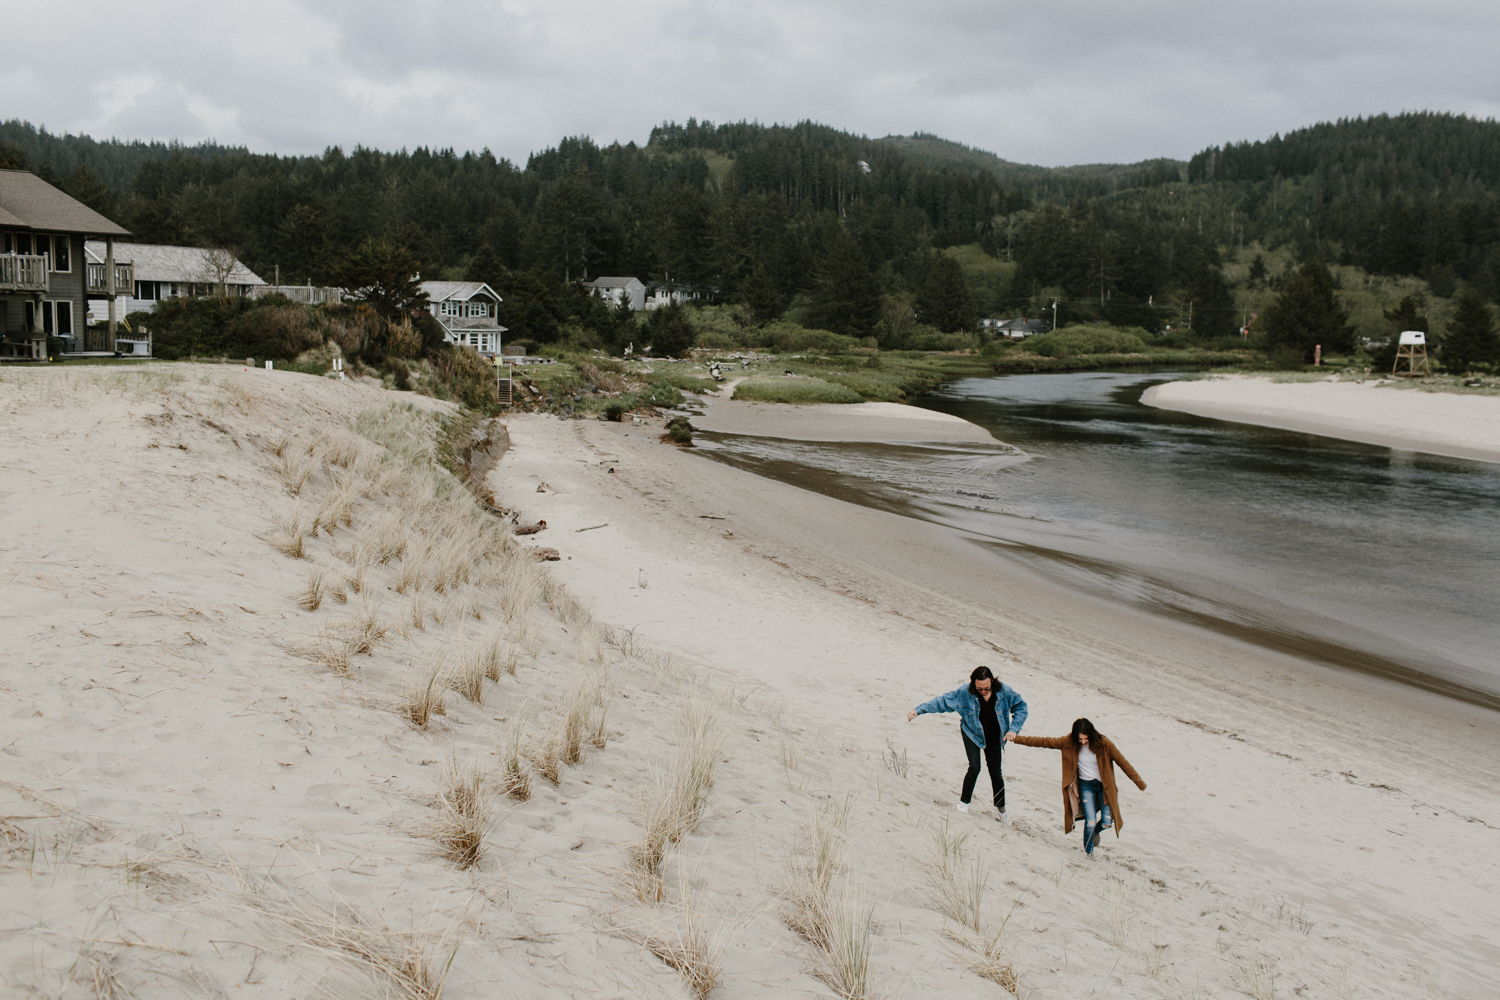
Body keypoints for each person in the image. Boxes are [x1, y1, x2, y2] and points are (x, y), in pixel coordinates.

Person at [907, 666, 1027, 820]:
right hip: (972, 733)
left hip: (995, 736)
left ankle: (1002, 810)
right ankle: (963, 804)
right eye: (979, 689)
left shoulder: (1004, 692)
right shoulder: (964, 693)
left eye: (986, 688)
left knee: (995, 771)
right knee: (974, 767)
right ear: (973, 684)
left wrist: (1013, 729)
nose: (983, 691)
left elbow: (1021, 707)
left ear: (992, 682)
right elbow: (942, 702)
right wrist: (918, 710)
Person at [1014, 718, 1145, 856]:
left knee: (1107, 822)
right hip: (1085, 786)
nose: (1082, 742)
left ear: (1092, 735)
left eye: (1086, 739)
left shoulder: (1104, 744)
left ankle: (1095, 832)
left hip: (1104, 788)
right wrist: (1016, 738)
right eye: (1080, 739)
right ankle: (1089, 853)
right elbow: (1043, 742)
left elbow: (1123, 763)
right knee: (1090, 821)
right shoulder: (1068, 742)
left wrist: (1139, 783)